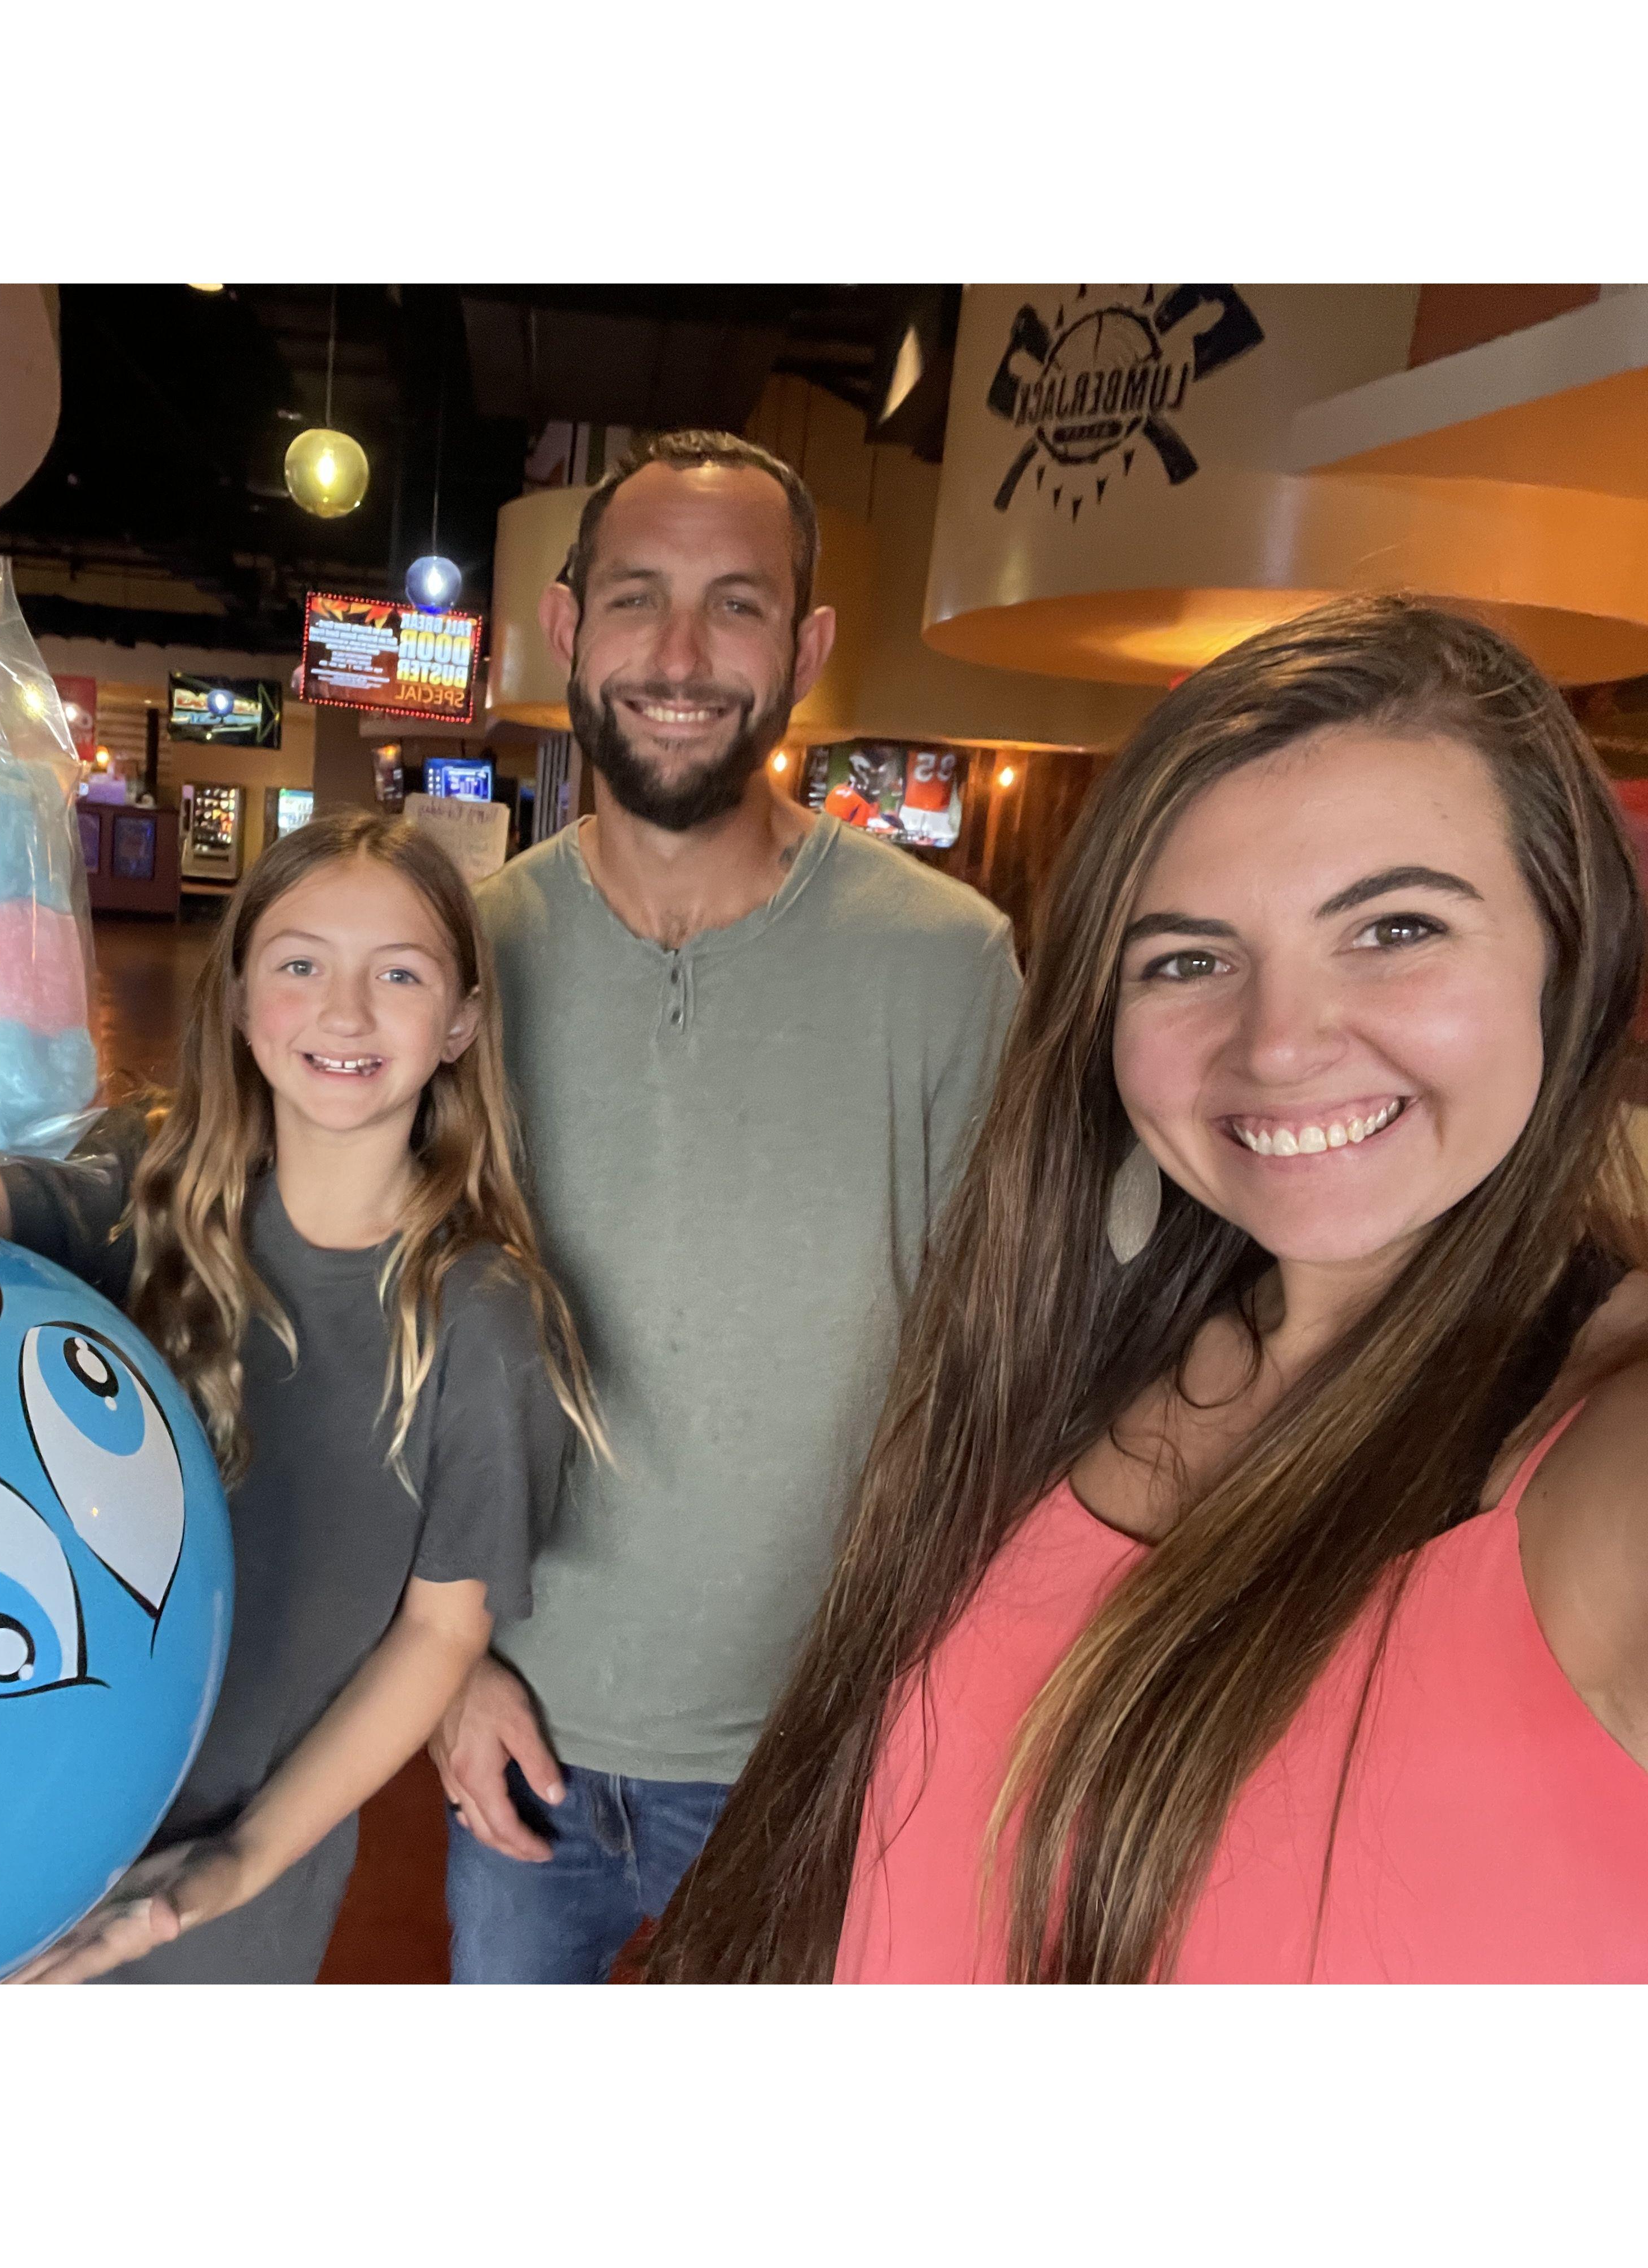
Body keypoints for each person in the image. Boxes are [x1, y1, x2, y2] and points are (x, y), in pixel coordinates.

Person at [652, 593, 1648, 1984]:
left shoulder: (1599, 1459)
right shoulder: (1102, 1338)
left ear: (1569, 953)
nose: (1279, 1043)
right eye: (1188, 959)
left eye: (1396, 928)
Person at [0, 635, 602, 1981]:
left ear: (458, 1023)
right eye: (301, 964)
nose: (345, 1010)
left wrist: (234, 1867)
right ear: (244, 997)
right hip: (13, 1828)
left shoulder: (479, 1317)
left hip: (224, 1902)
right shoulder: (141, 1192)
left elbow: (442, 1633)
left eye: (399, 972)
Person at [430, 431, 1023, 1982]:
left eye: (737, 605)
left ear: (806, 651)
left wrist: (921, 1701)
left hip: (815, 1748)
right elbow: (380, 1342)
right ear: (568, 631)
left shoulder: (947, 962)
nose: (681, 657)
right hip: (520, 1730)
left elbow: (1012, 1356)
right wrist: (438, 1671)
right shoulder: (459, 960)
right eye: (638, 598)